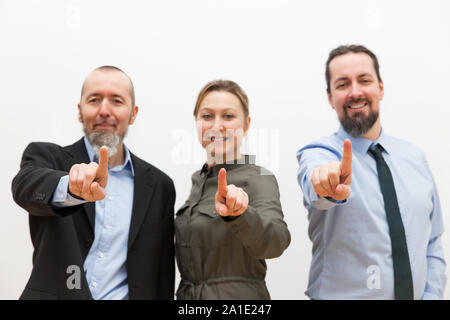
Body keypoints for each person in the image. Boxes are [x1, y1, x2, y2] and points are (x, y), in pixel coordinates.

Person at [11, 66, 175, 300]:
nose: (104, 110)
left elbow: (160, 274)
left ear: (133, 113)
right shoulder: (49, 158)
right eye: (94, 100)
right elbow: (24, 185)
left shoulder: (160, 186)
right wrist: (69, 187)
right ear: (80, 111)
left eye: (117, 101)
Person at [296, 45, 446, 300]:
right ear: (330, 98)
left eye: (364, 80)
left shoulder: (415, 158)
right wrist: (326, 182)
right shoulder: (319, 153)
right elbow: (316, 182)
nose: (355, 92)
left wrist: (431, 295)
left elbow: (431, 242)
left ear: (380, 87)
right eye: (342, 84)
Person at [175, 79, 290, 299]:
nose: (217, 126)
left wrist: (241, 214)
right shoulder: (198, 181)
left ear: (246, 124)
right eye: (207, 116)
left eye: (228, 116)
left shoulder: (259, 176)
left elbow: (277, 242)